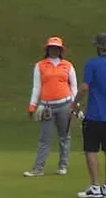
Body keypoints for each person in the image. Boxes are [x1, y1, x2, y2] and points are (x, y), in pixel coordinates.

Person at [74, 32, 106, 198]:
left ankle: (95, 186)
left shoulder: (92, 64)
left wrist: (74, 104)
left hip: (95, 114)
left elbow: (84, 87)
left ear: (98, 47)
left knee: (91, 150)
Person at [25, 36, 78, 176]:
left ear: (60, 50)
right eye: (52, 48)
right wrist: (32, 106)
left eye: (57, 48)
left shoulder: (67, 65)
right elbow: (37, 87)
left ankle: (63, 165)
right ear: (48, 49)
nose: (54, 50)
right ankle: (39, 168)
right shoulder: (40, 65)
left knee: (64, 137)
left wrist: (75, 105)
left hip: (65, 104)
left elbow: (74, 86)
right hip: (47, 106)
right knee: (45, 138)